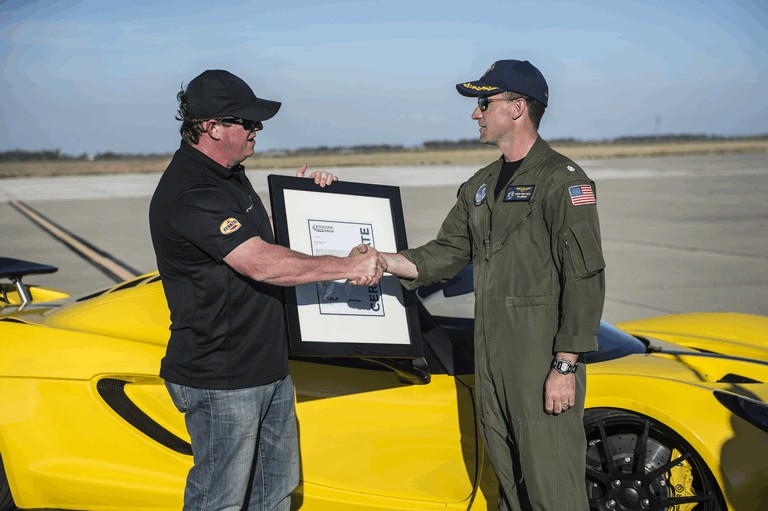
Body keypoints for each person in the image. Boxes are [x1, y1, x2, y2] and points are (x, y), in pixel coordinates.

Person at [149, 69, 386, 511]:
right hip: (222, 377)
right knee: (219, 500)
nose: (258, 130)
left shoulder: (229, 175)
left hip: (265, 368)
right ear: (212, 127)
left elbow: (268, 240)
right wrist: (349, 267)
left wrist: (307, 202)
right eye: (248, 122)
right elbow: (259, 263)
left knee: (273, 494)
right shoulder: (192, 190)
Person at [381, 60, 605, 510]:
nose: (475, 113)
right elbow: (445, 252)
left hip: (538, 360)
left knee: (554, 492)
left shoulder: (562, 182)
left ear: (518, 108)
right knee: (510, 488)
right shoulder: (479, 187)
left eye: (484, 102)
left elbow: (585, 277)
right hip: (491, 362)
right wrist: (383, 261)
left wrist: (564, 367)